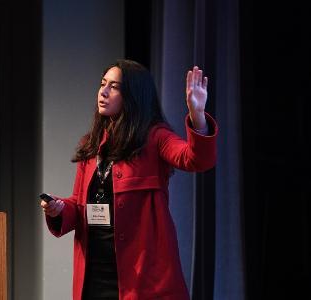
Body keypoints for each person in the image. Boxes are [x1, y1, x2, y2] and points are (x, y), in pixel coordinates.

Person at [41, 59, 217, 300]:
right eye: (103, 84)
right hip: (94, 274)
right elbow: (80, 204)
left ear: (133, 95)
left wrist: (197, 116)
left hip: (141, 277)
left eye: (114, 87)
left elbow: (196, 160)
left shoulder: (155, 137)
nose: (103, 92)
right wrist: (58, 209)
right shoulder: (91, 144)